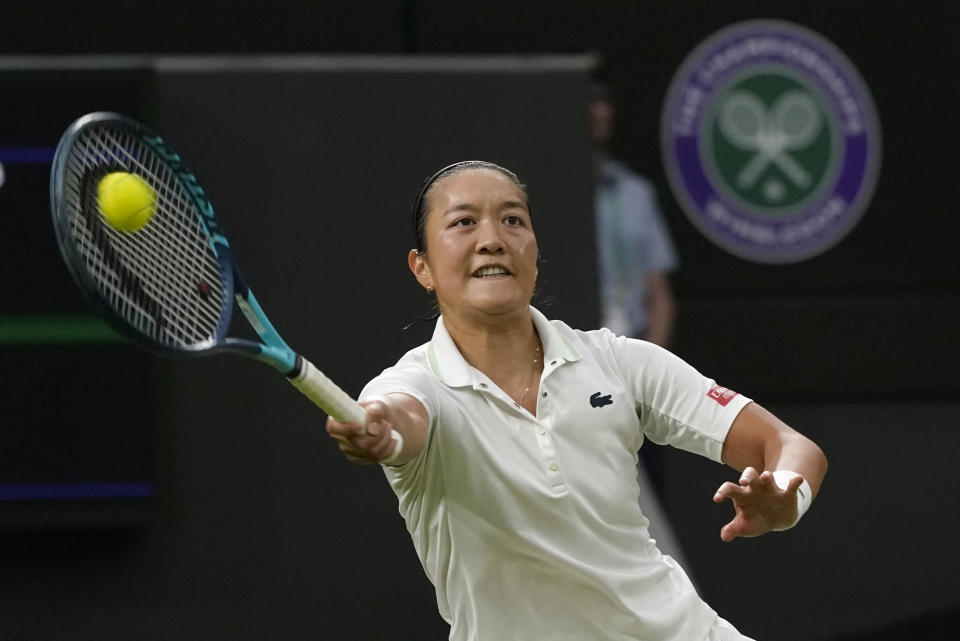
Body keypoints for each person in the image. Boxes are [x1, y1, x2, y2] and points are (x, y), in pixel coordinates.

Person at [326, 161, 828, 641]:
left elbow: (785, 444)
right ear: (423, 267)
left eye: (512, 220)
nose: (492, 240)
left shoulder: (617, 361)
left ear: (534, 251)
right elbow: (400, 418)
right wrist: (380, 430)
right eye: (463, 222)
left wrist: (786, 496)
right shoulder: (414, 386)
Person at [591, 83, 677, 348]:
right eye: (590, 101)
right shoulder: (538, 192)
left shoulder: (636, 192)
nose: (600, 112)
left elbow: (660, 297)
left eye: (604, 102)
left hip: (627, 349)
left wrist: (647, 370)